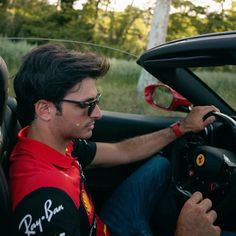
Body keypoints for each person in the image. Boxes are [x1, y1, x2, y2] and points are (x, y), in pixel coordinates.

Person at [9, 43, 221, 236]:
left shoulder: (53, 144)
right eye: (86, 104)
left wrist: (180, 128)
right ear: (45, 109)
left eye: (97, 100)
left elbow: (123, 151)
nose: (98, 113)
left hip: (105, 226)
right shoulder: (49, 204)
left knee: (161, 164)